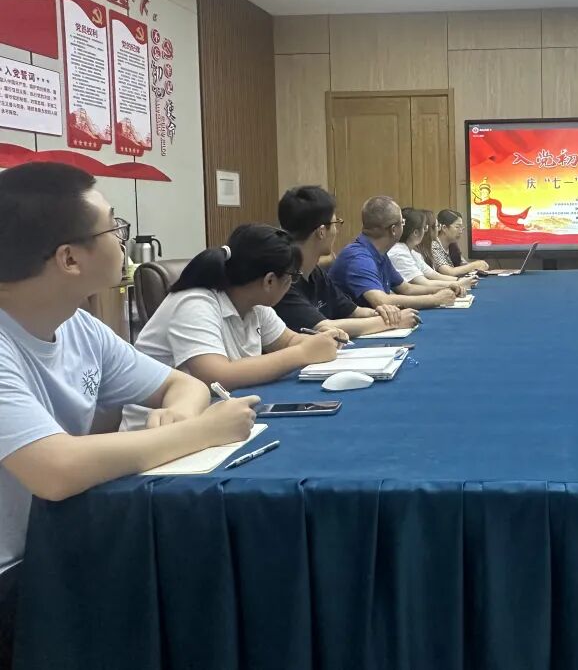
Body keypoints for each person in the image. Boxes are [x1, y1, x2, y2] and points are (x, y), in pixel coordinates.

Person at [0, 163, 258, 669]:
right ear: (69, 258)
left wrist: (179, 416)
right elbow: (54, 469)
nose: (124, 242)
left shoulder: (78, 326)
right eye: (114, 228)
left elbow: (181, 384)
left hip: (58, 544)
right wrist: (200, 432)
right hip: (15, 572)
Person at [134, 224, 342, 394]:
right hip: (159, 421)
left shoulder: (255, 304)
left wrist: (321, 340)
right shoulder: (194, 303)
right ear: (269, 280)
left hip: (216, 409)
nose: (291, 284)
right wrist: (303, 353)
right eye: (292, 277)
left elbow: (288, 341)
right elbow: (217, 377)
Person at [276, 186, 419, 336]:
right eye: (335, 224)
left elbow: (353, 311)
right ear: (321, 232)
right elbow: (321, 327)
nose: (337, 231)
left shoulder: (315, 273)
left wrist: (382, 313)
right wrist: (392, 321)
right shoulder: (284, 280)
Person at [329, 197, 457, 309]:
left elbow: (406, 288)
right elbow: (381, 301)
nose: (404, 227)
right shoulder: (359, 258)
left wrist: (443, 289)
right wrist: (435, 299)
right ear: (394, 230)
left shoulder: (379, 252)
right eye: (402, 223)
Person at [389, 208, 475, 293]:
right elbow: (423, 283)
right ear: (416, 233)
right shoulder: (399, 252)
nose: (426, 232)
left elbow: (433, 274)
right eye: (424, 228)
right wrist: (457, 283)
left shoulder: (412, 252)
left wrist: (459, 280)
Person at [431, 209, 488, 277]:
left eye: (461, 227)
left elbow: (463, 265)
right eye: (457, 227)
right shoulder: (434, 246)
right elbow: (449, 272)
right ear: (444, 228)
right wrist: (475, 265)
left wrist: (479, 265)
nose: (461, 231)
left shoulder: (453, 246)